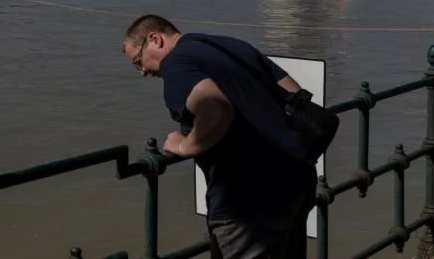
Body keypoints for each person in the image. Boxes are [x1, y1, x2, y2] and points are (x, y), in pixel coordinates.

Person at [121, 14, 317, 259]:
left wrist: (183, 146)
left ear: (155, 39)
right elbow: (295, 94)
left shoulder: (176, 63)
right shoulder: (233, 45)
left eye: (138, 61)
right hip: (298, 179)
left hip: (249, 199)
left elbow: (217, 109)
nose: (142, 72)